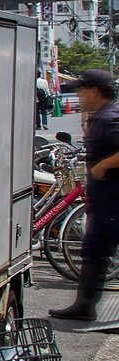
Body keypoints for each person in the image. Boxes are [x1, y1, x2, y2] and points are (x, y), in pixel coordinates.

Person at [56, 69, 119, 321]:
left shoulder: (110, 117)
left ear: (95, 90)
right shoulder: (103, 115)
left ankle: (84, 306)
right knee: (93, 250)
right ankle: (84, 306)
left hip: (114, 202)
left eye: (82, 89)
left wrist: (103, 165)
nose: (78, 95)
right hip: (105, 203)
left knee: (96, 248)